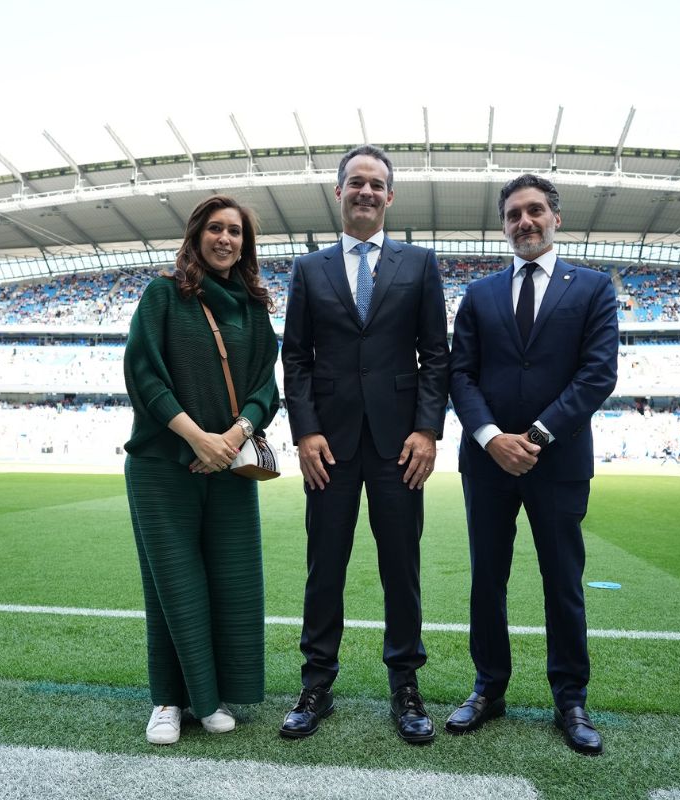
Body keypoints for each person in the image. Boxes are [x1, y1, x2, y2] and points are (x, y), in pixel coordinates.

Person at [279, 144, 449, 744]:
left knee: (401, 568)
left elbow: (436, 357)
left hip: (399, 445)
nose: (366, 192)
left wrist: (427, 430)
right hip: (329, 445)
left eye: (377, 184)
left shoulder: (421, 264)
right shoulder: (309, 269)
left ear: (390, 196)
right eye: (356, 182)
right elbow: (294, 358)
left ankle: (405, 685)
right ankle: (316, 683)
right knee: (324, 567)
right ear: (339, 192)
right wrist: (305, 432)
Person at [446, 174, 619, 755]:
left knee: (563, 582)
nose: (526, 221)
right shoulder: (479, 295)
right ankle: (488, 689)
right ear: (504, 225)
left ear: (556, 218)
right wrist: (494, 438)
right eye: (515, 213)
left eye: (535, 211)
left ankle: (571, 699)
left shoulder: (593, 288)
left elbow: (598, 375)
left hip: (559, 461)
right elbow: (460, 376)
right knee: (486, 581)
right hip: (487, 460)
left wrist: (536, 436)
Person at [122, 195, 279, 746]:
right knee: (173, 583)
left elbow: (267, 387)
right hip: (164, 464)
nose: (226, 239)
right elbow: (145, 375)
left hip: (230, 464)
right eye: (215, 228)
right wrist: (196, 437)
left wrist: (233, 436)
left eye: (235, 231)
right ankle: (169, 701)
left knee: (232, 582)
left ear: (246, 243)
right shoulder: (163, 294)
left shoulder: (254, 307)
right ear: (196, 235)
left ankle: (213, 696)